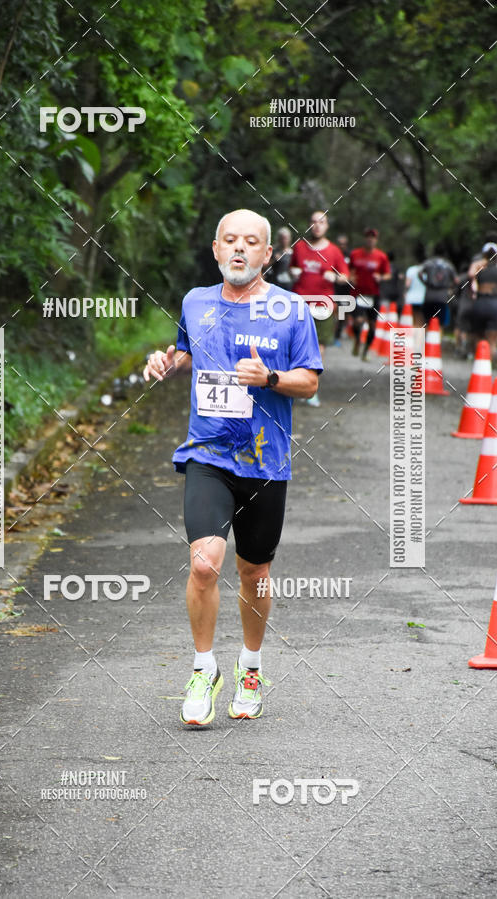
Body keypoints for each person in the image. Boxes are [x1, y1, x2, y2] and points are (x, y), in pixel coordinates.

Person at [143, 208, 323, 726]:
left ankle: (250, 667)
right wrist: (165, 362)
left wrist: (269, 378)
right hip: (208, 453)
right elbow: (183, 353)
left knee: (255, 570)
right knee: (204, 563)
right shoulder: (196, 302)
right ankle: (204, 669)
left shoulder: (291, 310)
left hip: (265, 458)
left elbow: (309, 382)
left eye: (251, 242)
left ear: (268, 254)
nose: (239, 249)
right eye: (230, 240)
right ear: (217, 250)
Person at [290, 210, 348, 406]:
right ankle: (293, 384)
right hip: (299, 301)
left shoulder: (334, 251)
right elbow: (291, 269)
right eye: (313, 222)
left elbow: (345, 275)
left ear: (327, 226)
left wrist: (336, 277)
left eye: (321, 222)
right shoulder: (299, 247)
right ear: (309, 225)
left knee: (319, 346)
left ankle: (311, 388)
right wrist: (293, 272)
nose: (317, 225)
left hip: (323, 303)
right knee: (294, 344)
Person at [349, 227, 391, 360]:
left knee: (373, 326)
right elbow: (348, 270)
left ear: (376, 240)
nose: (370, 239)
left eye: (373, 237)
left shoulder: (381, 256)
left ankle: (365, 351)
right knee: (358, 321)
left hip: (373, 295)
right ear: (365, 239)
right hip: (357, 294)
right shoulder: (355, 254)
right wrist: (350, 277)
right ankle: (357, 339)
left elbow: (388, 275)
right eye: (368, 237)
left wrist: (381, 277)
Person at [470, 243, 497, 357]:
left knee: (478, 338)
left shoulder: (479, 270)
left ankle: (478, 366)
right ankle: (489, 368)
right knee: (492, 341)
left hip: (480, 304)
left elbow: (471, 274)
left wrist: (483, 262)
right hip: (495, 305)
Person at [420, 246, 457, 331]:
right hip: (442, 297)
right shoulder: (448, 265)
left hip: (429, 295)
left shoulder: (428, 263)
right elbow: (456, 280)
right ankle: (437, 342)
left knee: (427, 321)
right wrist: (449, 287)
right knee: (440, 323)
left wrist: (425, 283)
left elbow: (420, 273)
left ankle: (426, 341)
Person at [333, 234, 352, 344]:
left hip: (345, 289)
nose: (342, 246)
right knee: (332, 312)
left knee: (342, 313)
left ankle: (337, 335)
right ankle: (330, 333)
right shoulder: (333, 254)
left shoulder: (350, 255)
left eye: (344, 244)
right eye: (340, 244)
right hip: (333, 288)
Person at [403, 250, 426, 328]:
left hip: (411, 299)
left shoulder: (411, 270)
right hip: (423, 299)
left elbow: (407, 284)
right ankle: (420, 338)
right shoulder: (427, 271)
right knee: (422, 320)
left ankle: (414, 338)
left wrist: (405, 293)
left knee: (413, 320)